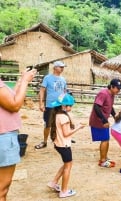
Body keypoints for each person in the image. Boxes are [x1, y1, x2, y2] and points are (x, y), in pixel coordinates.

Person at [0, 68, 36, 201]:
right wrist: (26, 81)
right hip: (3, 137)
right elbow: (14, 105)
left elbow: (9, 98)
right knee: (2, 189)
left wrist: (21, 80)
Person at [46, 93, 85, 198]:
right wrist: (78, 128)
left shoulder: (57, 115)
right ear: (63, 106)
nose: (71, 108)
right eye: (70, 106)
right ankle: (64, 191)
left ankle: (53, 182)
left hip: (58, 144)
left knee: (66, 164)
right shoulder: (64, 117)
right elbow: (66, 133)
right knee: (68, 166)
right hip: (64, 145)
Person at [89, 78, 121, 168]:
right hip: (99, 120)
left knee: (106, 138)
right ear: (112, 87)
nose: (119, 90)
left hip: (103, 119)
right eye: (117, 88)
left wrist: (114, 115)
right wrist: (104, 120)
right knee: (104, 139)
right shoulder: (103, 93)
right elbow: (96, 107)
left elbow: (110, 106)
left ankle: (104, 157)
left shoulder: (112, 94)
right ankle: (102, 160)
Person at [35, 61, 67, 149]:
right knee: (48, 124)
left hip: (60, 106)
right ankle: (44, 141)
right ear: (55, 67)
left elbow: (64, 91)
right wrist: (41, 103)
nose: (62, 68)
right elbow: (42, 90)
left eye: (63, 67)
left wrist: (64, 103)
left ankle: (59, 141)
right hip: (50, 105)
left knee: (60, 124)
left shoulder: (63, 79)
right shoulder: (48, 78)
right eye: (60, 67)